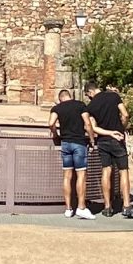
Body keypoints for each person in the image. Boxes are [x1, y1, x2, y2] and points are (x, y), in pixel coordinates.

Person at [85, 77, 133, 218]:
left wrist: (108, 133)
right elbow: (126, 114)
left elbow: (93, 127)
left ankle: (107, 207)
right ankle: (127, 205)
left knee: (106, 171)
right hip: (118, 140)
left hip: (103, 141)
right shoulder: (114, 96)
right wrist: (122, 128)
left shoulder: (91, 106)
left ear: (90, 92)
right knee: (124, 171)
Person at [49, 87, 96, 218]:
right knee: (81, 175)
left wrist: (55, 134)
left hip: (65, 143)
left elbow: (51, 122)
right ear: (70, 96)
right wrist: (92, 139)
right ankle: (81, 207)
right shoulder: (80, 105)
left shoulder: (57, 108)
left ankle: (68, 208)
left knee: (67, 176)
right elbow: (87, 123)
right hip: (79, 143)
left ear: (60, 99)